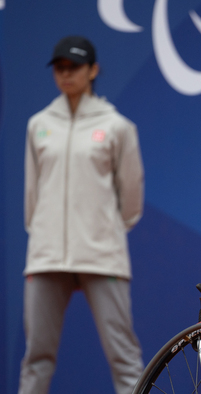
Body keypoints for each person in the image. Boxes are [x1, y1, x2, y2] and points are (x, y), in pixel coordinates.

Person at [19, 36, 145, 394]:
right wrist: (43, 232)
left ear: (93, 70)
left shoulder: (118, 126)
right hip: (45, 256)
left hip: (101, 256)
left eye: (74, 67)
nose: (66, 74)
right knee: (36, 357)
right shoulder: (38, 124)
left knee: (123, 356)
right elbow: (32, 193)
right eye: (59, 68)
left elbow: (131, 196)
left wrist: (104, 229)